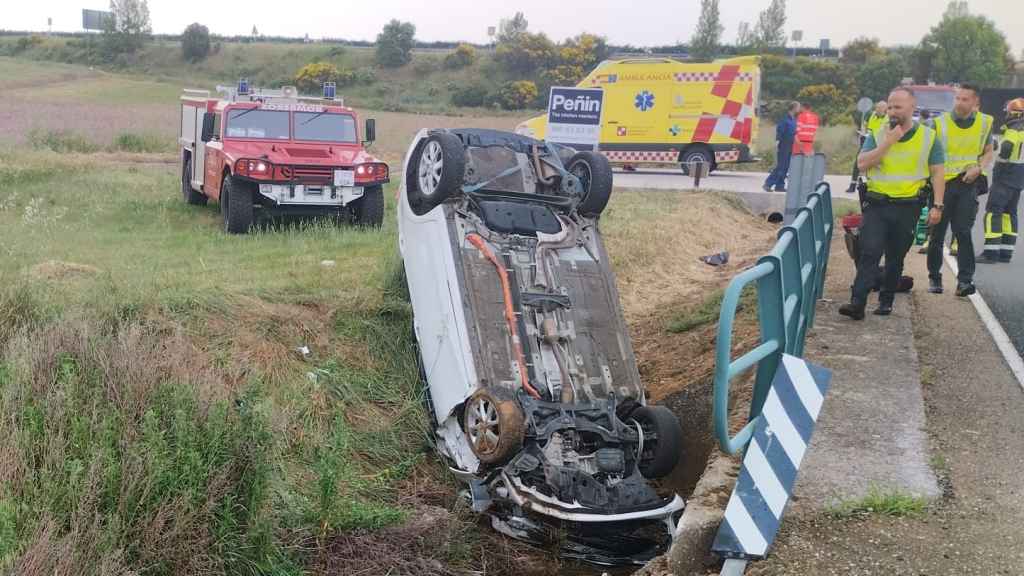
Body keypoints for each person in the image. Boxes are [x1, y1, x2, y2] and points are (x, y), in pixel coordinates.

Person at [840, 87, 945, 320]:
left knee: (896, 257)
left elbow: (937, 173)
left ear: (912, 108)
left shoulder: (928, 137)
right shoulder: (878, 133)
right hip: (877, 205)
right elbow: (863, 163)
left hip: (908, 207)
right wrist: (887, 143)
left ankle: (886, 301)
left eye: (898, 107)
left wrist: (937, 206)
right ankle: (857, 303)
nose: (892, 111)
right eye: (890, 106)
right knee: (869, 252)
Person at [926, 84, 993, 296]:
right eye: (958, 98)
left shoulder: (985, 122)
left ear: (975, 103)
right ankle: (934, 278)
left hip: (967, 183)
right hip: (942, 185)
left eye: (965, 99)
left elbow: (988, 151)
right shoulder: (939, 123)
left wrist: (979, 168)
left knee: (963, 232)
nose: (960, 103)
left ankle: (964, 281)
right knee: (936, 234)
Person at [978, 97, 1024, 263]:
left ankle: (990, 253)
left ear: (1014, 113)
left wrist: (999, 158)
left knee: (993, 212)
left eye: (1008, 112)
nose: (1006, 115)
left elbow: (1007, 148)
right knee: (1009, 214)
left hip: (1005, 177)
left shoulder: (1014, 130)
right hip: (1018, 179)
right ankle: (1006, 253)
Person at [847, 100, 889, 194]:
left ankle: (873, 186)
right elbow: (864, 126)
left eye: (880, 108)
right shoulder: (871, 115)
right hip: (867, 140)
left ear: (885, 109)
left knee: (875, 166)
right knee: (857, 162)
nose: (878, 109)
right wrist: (863, 132)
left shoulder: (887, 118)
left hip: (878, 144)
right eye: (877, 107)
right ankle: (852, 185)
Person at [763, 102, 800, 192]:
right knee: (781, 166)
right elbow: (780, 129)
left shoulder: (793, 119)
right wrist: (778, 140)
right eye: (798, 107)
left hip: (791, 144)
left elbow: (794, 132)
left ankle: (779, 185)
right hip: (784, 144)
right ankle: (768, 184)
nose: (799, 109)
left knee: (786, 166)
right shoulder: (785, 119)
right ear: (794, 108)